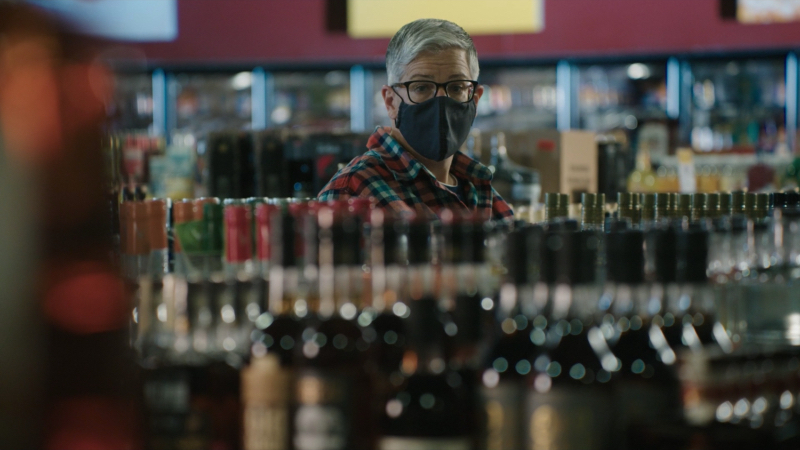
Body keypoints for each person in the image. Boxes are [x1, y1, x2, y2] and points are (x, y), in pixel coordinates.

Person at [318, 18, 513, 222]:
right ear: (391, 101)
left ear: (475, 100)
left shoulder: (481, 188)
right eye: (421, 87)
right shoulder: (350, 194)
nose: (440, 101)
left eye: (456, 87)